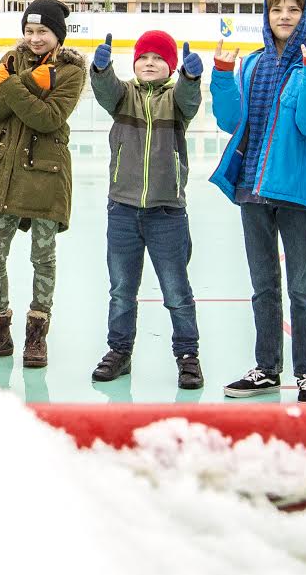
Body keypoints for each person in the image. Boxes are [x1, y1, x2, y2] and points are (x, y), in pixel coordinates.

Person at [209, 0, 306, 403]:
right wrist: (223, 78)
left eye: (293, 9)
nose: (284, 16)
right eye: (276, 9)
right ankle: (266, 367)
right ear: (266, 16)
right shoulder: (252, 64)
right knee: (263, 286)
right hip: (252, 190)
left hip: (296, 191)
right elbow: (231, 122)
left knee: (302, 288)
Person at [0, 0, 86, 368]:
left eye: (42, 31)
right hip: (4, 173)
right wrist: (24, 85)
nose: (34, 38)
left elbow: (48, 117)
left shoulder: (71, 71)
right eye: (29, 31)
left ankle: (37, 335)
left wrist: (14, 84)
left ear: (57, 35)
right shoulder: (11, 59)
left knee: (42, 257)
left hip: (45, 175)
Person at [88, 30, 206, 390]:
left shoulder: (176, 100)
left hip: (166, 211)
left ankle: (188, 356)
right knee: (122, 288)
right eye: (143, 57)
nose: (150, 63)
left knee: (176, 290)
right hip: (122, 207)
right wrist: (101, 69)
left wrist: (190, 78)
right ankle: (119, 352)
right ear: (134, 63)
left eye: (158, 58)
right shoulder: (123, 95)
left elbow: (189, 99)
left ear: (169, 65)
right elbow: (105, 92)